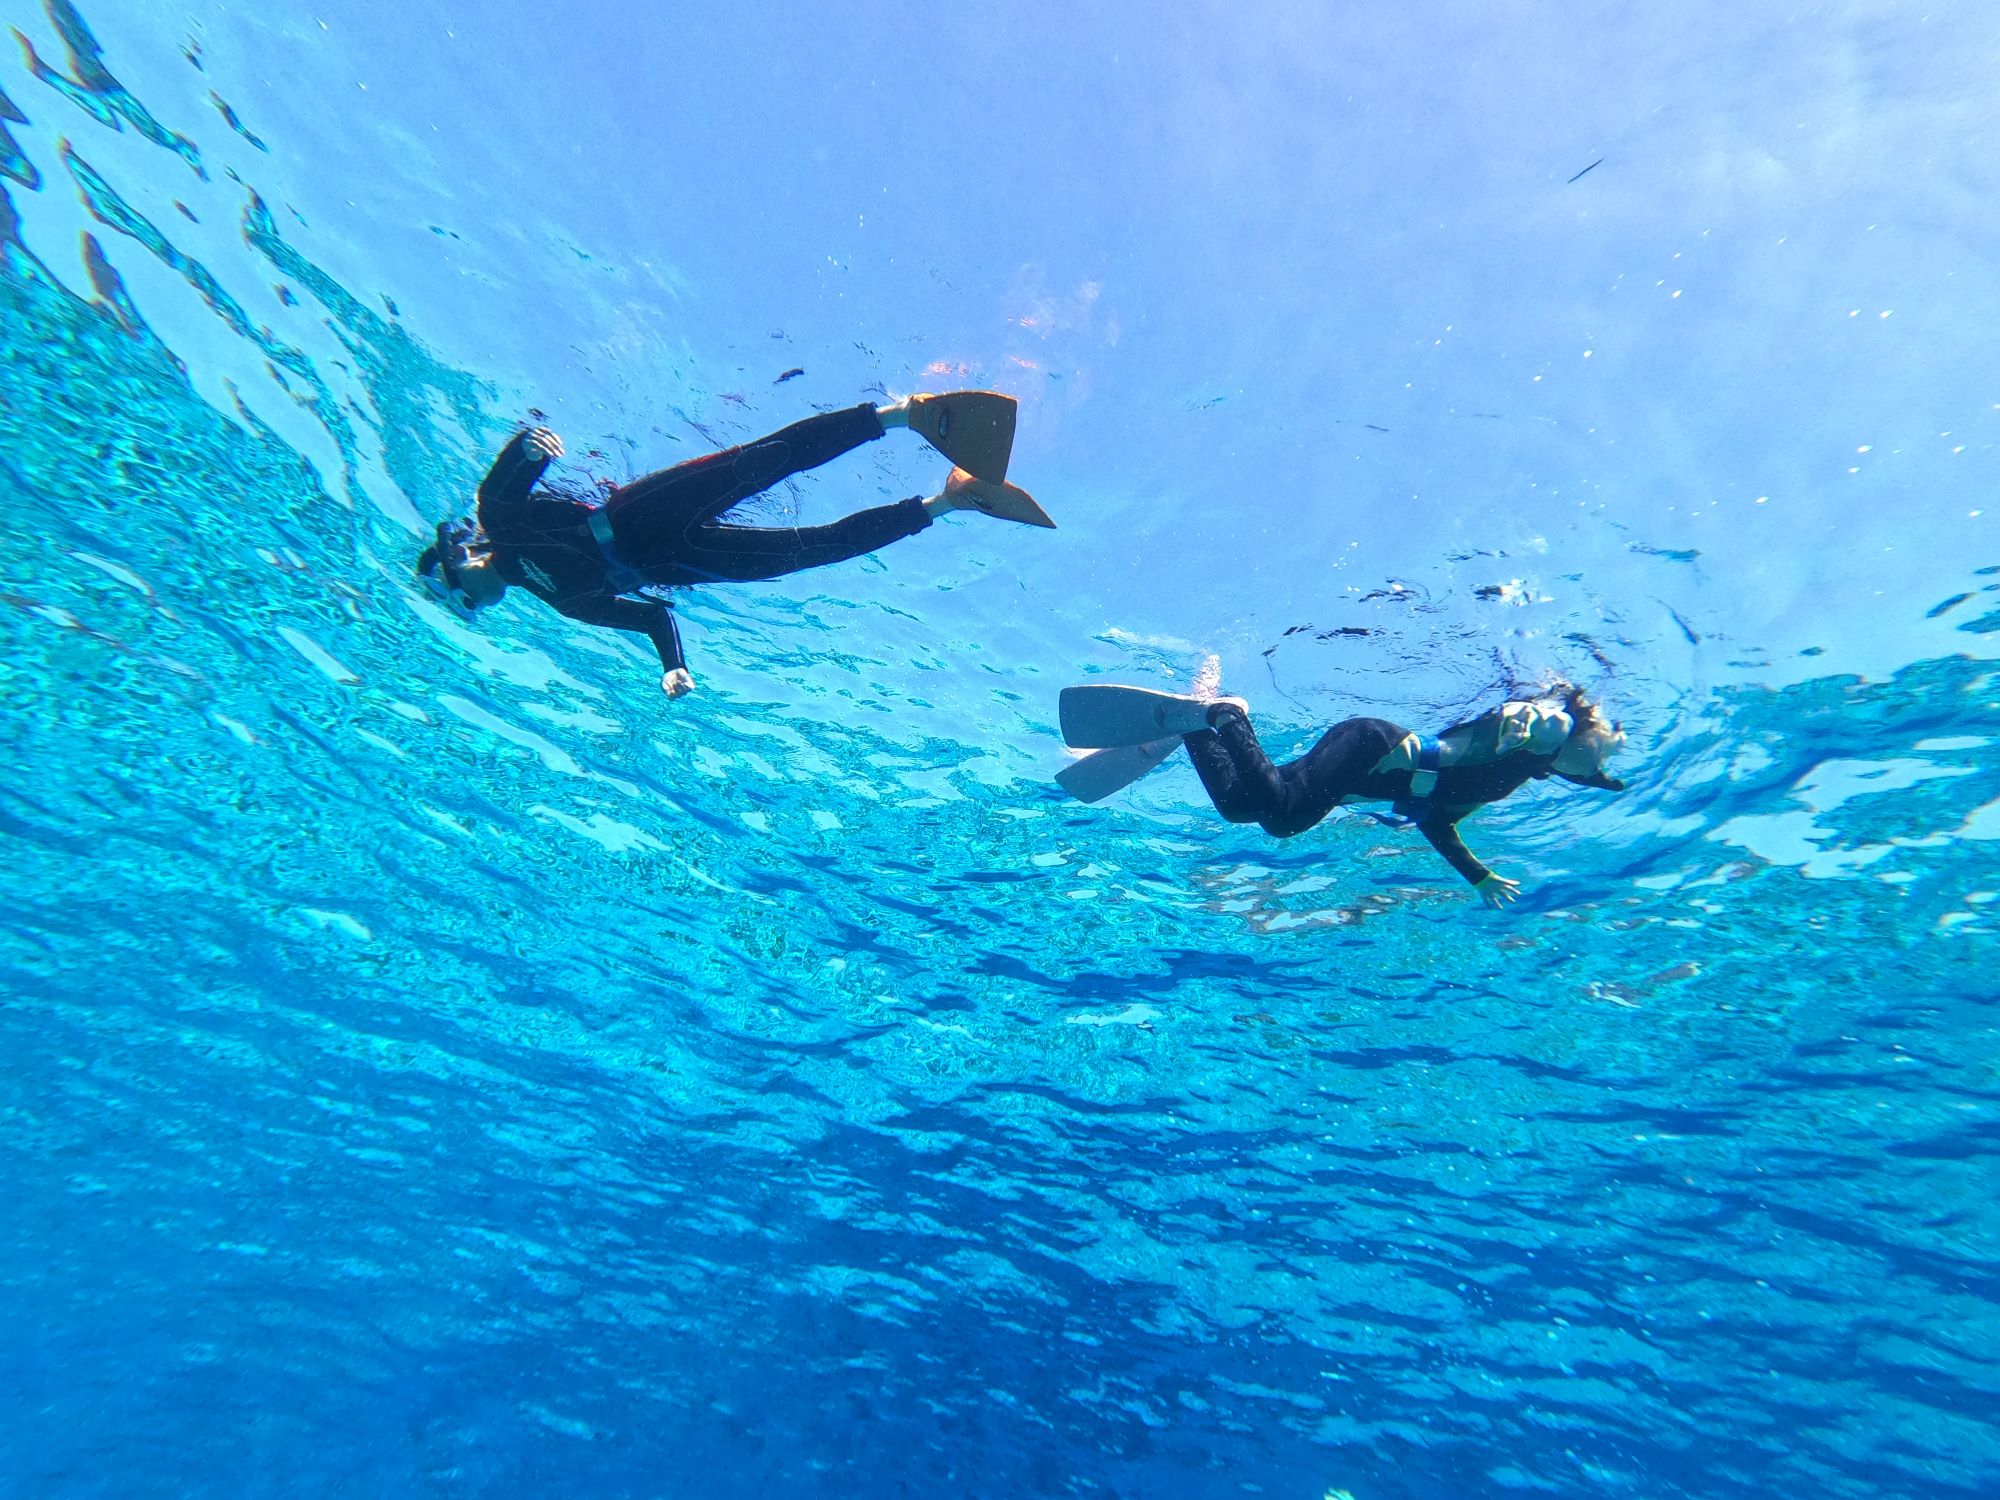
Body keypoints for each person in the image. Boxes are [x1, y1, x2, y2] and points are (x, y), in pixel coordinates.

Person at [416, 393, 1052, 698]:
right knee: (811, 551)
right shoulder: (566, 603)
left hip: (637, 513)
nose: (474, 599)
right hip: (675, 562)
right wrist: (671, 663)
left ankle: (906, 414)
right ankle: (948, 501)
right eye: (469, 610)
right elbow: (651, 613)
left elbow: (501, 486)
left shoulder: (499, 523)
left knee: (763, 463)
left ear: (458, 558)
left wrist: (527, 449)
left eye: (457, 591)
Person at [1057, 677, 1628, 906]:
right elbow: (1535, 716)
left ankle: (1197, 725)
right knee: (1281, 816)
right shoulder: (1546, 730)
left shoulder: (1514, 778)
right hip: (1370, 745)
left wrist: (1477, 874)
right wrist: (1532, 719)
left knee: (1242, 807)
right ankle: (1226, 714)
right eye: (1605, 742)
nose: (1604, 753)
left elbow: (1437, 819)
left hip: (1360, 776)